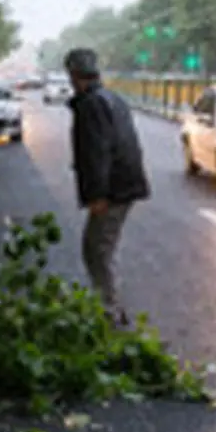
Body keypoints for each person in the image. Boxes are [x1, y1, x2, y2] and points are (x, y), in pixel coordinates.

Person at [64, 47, 150, 325]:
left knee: (96, 249)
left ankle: (109, 311)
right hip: (126, 184)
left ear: (73, 74)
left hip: (113, 189)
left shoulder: (91, 105)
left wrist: (98, 194)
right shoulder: (112, 98)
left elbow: (97, 152)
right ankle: (110, 305)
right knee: (101, 247)